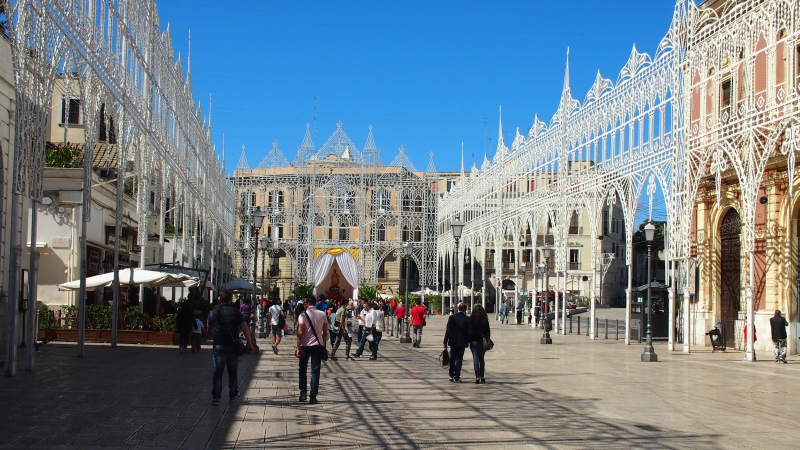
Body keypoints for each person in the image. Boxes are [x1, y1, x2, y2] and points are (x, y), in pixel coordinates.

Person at [207, 290, 254, 406]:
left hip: (218, 345)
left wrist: (214, 334)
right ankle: (233, 395)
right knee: (232, 371)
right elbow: (245, 329)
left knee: (218, 371)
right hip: (232, 346)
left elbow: (208, 329)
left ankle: (216, 397)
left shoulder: (213, 313)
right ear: (230, 300)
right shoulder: (236, 312)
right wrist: (250, 344)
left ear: (219, 299)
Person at [296, 295, 328, 404]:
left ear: (309, 303)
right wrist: (323, 343)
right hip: (317, 346)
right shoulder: (322, 314)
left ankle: (303, 393)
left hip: (305, 346)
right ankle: (313, 396)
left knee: (302, 369)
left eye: (305, 302)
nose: (304, 304)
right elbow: (325, 332)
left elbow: (300, 333)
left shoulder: (303, 315)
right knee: (315, 371)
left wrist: (297, 347)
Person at [443, 302, 473, 382]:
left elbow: (448, 330)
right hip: (462, 342)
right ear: (465, 310)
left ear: (458, 309)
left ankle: (451, 374)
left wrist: (445, 341)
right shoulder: (468, 319)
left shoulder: (452, 318)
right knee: (459, 359)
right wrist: (467, 341)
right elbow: (470, 332)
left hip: (453, 341)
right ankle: (457, 376)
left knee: (452, 358)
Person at [469, 304, 491, 384]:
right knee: (481, 359)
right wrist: (487, 339)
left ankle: (477, 376)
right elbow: (488, 331)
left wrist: (469, 339)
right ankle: (482, 376)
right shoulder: (484, 320)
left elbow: (470, 331)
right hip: (483, 341)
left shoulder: (471, 319)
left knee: (475, 358)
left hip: (474, 341)